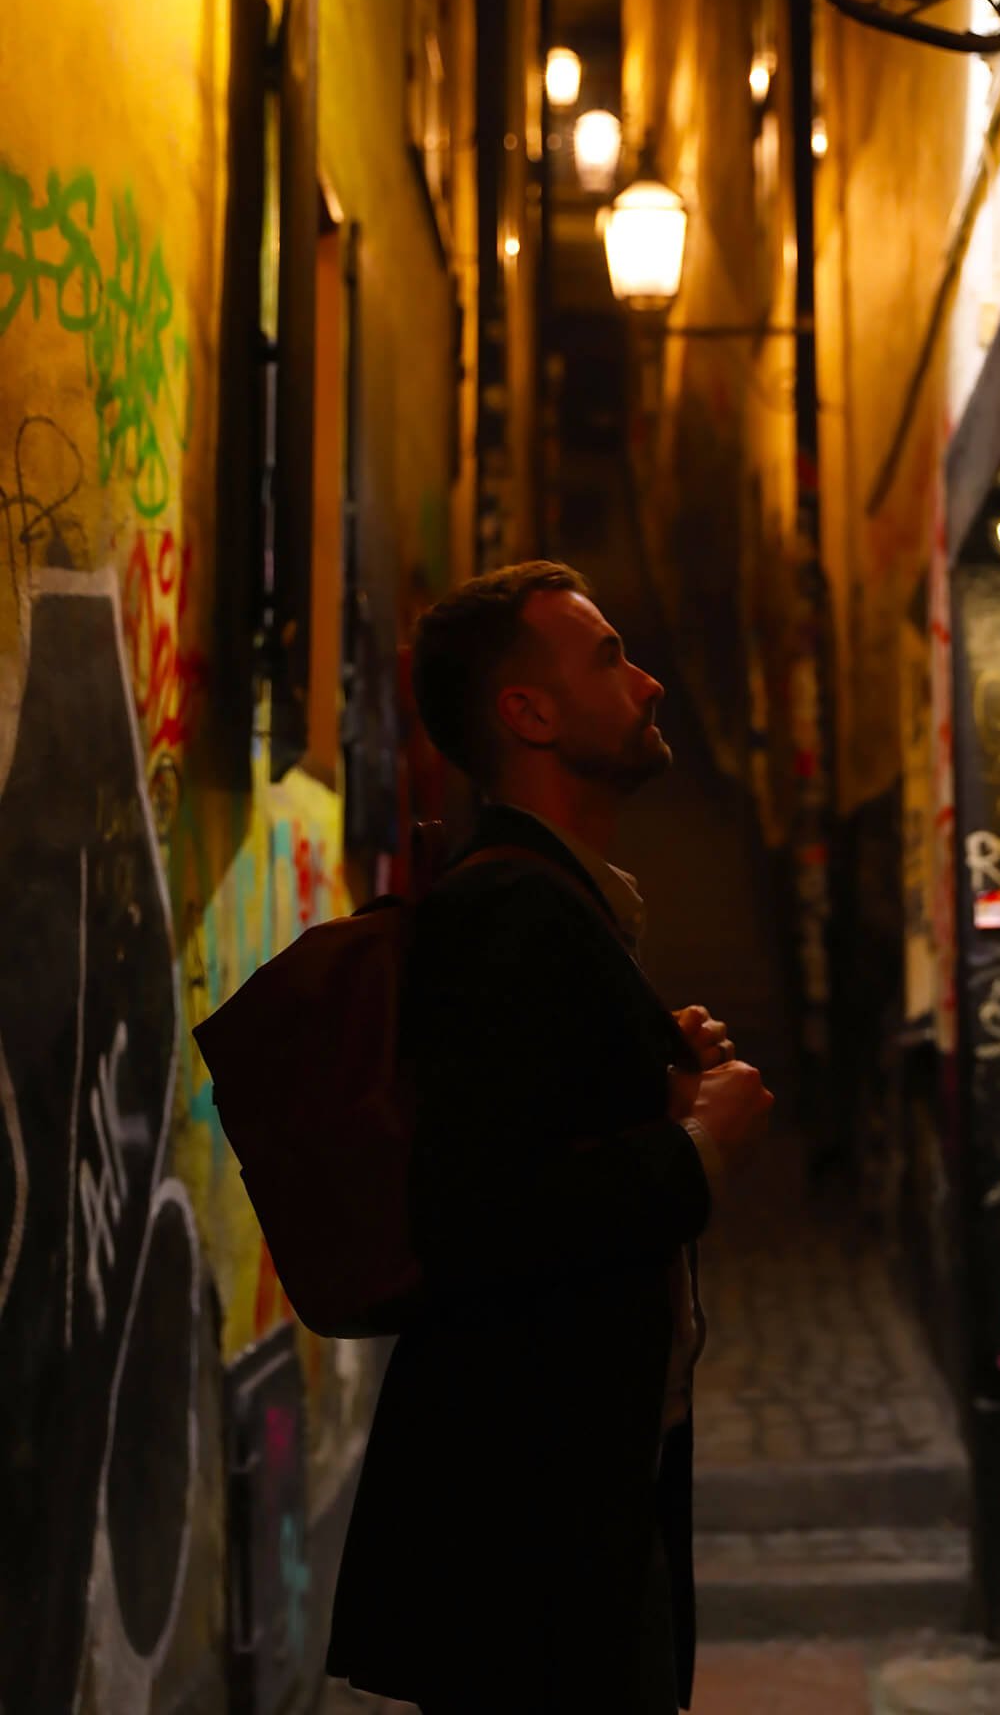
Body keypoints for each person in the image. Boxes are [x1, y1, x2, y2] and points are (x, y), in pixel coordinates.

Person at [327, 561, 774, 1714]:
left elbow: (527, 1131)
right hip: (531, 1542)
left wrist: (648, 1070)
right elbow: (478, 1220)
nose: (652, 680)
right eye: (610, 658)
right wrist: (698, 1144)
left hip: (571, 1511)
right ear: (526, 713)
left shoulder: (552, 899)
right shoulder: (514, 909)